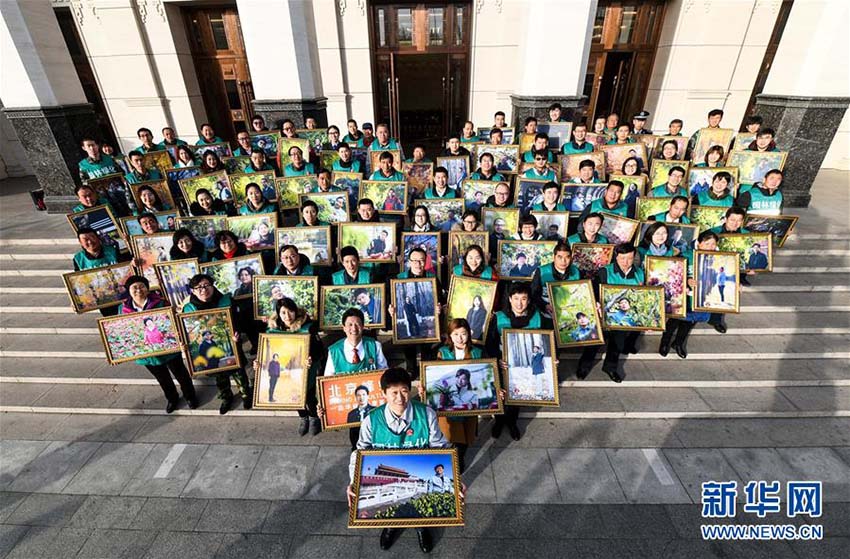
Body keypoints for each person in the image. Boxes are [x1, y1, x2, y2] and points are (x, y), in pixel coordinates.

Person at [346, 368, 456, 554]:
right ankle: (390, 527)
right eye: (394, 392)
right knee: (392, 510)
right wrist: (354, 482)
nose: (400, 398)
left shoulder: (426, 414)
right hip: (391, 475)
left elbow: (441, 448)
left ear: (410, 391)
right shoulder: (371, 420)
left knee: (421, 509)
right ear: (384, 394)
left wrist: (456, 479)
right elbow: (360, 453)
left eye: (404, 391)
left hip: (417, 471)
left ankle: (422, 528)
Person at [120, 275, 198, 412]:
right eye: (134, 287)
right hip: (146, 353)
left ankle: (190, 396)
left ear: (148, 288)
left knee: (181, 373)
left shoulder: (161, 303)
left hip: (168, 348)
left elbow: (172, 323)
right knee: (162, 378)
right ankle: (172, 398)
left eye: (142, 286)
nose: (139, 290)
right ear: (129, 290)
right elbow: (124, 329)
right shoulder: (123, 309)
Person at [181, 274, 253, 414]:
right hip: (210, 351)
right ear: (193, 290)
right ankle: (226, 397)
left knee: (239, 372)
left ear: (213, 286)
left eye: (207, 285)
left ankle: (246, 395)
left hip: (231, 343)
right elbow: (188, 331)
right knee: (219, 375)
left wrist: (237, 332)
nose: (204, 290)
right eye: (199, 287)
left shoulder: (226, 301)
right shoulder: (188, 309)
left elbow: (238, 320)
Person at [576, 243, 644, 382]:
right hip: (603, 315)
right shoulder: (605, 271)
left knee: (617, 344)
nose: (626, 262)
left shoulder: (639, 273)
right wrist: (597, 303)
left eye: (630, 258)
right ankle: (584, 367)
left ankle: (610, 368)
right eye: (623, 258)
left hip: (623, 318)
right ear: (616, 257)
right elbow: (594, 290)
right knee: (594, 343)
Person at [486, 282, 544, 441]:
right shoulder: (499, 317)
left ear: (529, 300)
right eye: (516, 298)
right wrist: (497, 360)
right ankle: (498, 422)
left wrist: (552, 358)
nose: (520, 303)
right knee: (501, 395)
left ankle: (512, 423)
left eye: (524, 299)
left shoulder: (536, 317)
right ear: (510, 299)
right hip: (502, 363)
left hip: (525, 364)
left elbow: (545, 341)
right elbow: (490, 343)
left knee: (517, 396)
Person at [263, 297, 324, 435]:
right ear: (278, 314)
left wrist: (311, 358)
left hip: (306, 370)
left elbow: (319, 349)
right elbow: (268, 351)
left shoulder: (307, 327)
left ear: (295, 311)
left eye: (290, 311)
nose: (287, 316)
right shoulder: (272, 330)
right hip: (286, 370)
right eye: (283, 312)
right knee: (294, 395)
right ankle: (303, 417)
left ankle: (314, 417)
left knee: (309, 396)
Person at [659, 231, 722, 358]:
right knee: (674, 320)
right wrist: (687, 280)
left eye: (713, 244)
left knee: (690, 321)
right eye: (707, 243)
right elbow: (674, 271)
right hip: (683, 294)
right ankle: (664, 343)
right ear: (699, 243)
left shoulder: (718, 259)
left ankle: (678, 343)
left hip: (701, 296)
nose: (710, 247)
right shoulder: (686, 255)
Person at [530, 241, 580, 315]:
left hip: (569, 312)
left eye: (567, 257)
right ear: (554, 257)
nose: (563, 261)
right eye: (560, 257)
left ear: (571, 258)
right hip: (546, 313)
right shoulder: (542, 271)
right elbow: (533, 294)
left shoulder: (576, 272)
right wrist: (544, 306)